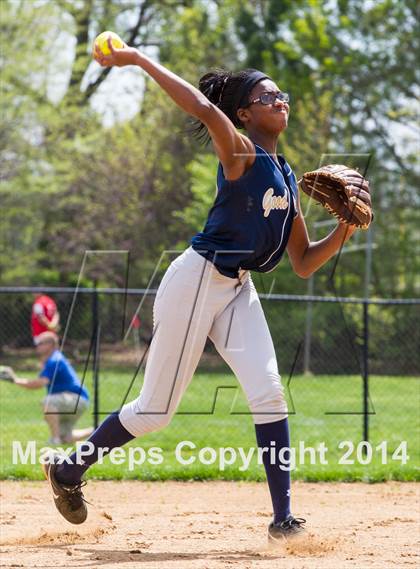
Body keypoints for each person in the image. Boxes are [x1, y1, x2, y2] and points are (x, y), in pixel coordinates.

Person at [43, 38, 358, 540]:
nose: (281, 101)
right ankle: (68, 469)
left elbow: (301, 263)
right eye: (268, 96)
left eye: (283, 96)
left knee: (270, 395)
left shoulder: (286, 176)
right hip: (195, 280)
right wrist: (138, 59)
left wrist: (342, 229)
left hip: (237, 288)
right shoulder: (242, 154)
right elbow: (203, 107)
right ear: (244, 114)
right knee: (155, 411)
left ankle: (283, 520)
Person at [12, 332, 93, 445]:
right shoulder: (53, 359)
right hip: (76, 401)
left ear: (50, 345)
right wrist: (15, 380)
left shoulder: (54, 360)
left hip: (76, 399)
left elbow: (40, 383)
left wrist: (15, 380)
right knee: (65, 438)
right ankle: (97, 430)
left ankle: (54, 441)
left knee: (48, 402)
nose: (37, 346)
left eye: (40, 343)